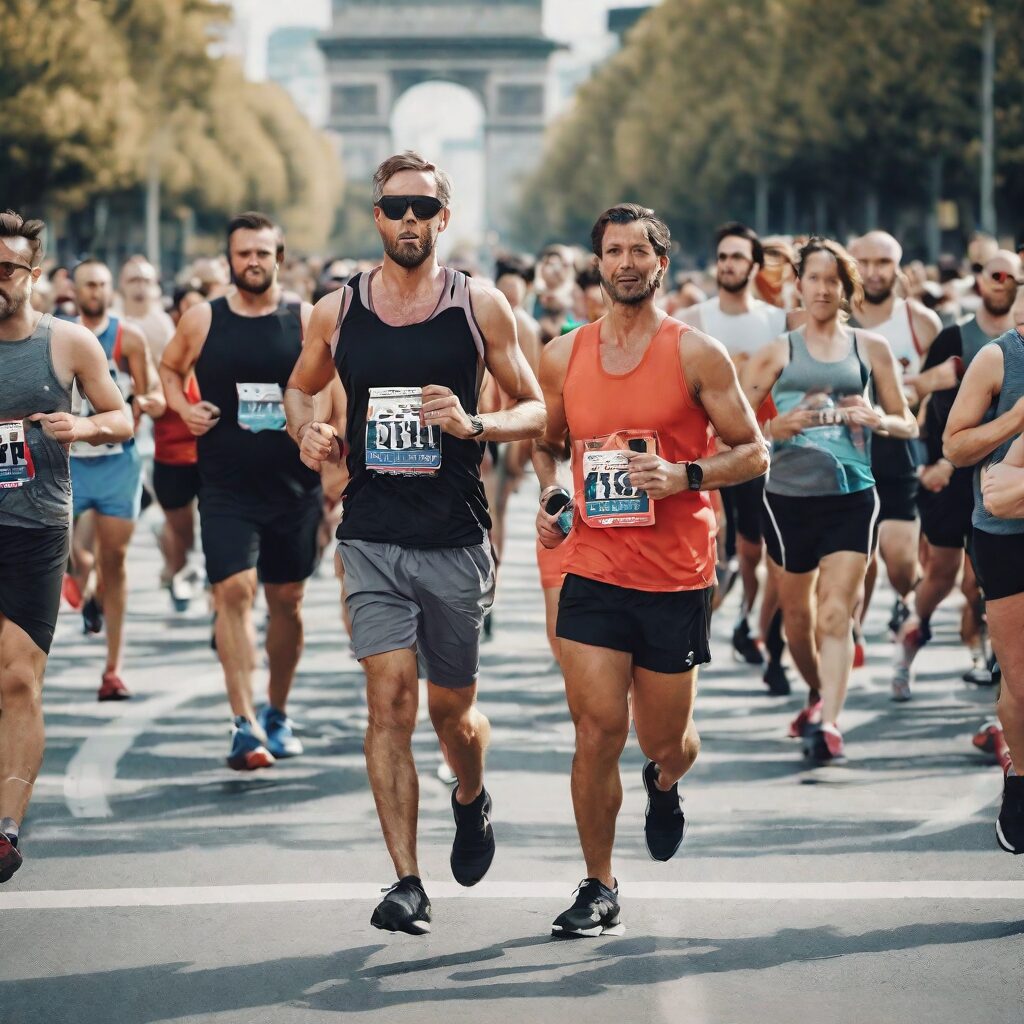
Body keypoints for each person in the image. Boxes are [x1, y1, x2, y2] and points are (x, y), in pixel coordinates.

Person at [283, 151, 545, 936]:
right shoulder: (336, 310)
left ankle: (471, 794)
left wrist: (475, 424)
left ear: (443, 218)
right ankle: (406, 880)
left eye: (421, 209)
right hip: (370, 532)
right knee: (388, 702)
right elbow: (301, 385)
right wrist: (309, 430)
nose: (407, 220)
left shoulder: (481, 306)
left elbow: (535, 409)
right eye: (394, 207)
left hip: (455, 534)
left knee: (451, 712)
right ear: (376, 216)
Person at [534, 204, 768, 937]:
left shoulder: (696, 353)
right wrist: (555, 495)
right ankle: (598, 884)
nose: (627, 262)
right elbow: (547, 444)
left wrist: (685, 474)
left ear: (661, 263)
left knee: (666, 739)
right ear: (596, 263)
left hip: (675, 574)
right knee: (597, 728)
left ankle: (663, 783)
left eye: (641, 250)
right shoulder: (560, 355)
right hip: (594, 564)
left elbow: (753, 452)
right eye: (613, 251)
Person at [160, 212, 343, 771]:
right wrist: (185, 407)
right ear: (230, 260)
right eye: (243, 254)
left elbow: (332, 386)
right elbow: (168, 369)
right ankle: (243, 723)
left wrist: (326, 437)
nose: (254, 262)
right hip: (225, 484)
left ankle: (278, 711)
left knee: (286, 601)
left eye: (263, 253)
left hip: (293, 486)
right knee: (232, 593)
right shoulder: (203, 319)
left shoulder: (305, 317)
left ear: (279, 258)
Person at [742, 238, 916, 763]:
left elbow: (907, 421)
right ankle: (818, 694)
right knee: (798, 619)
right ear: (798, 283)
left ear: (846, 289)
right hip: (787, 497)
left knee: (836, 613)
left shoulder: (871, 349)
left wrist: (877, 419)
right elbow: (734, 427)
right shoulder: (778, 351)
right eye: (813, 278)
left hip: (852, 494)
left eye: (832, 281)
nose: (822, 289)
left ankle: (830, 722)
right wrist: (774, 426)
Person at [0, 211, 133, 883]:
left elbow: (123, 416)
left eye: (7, 270)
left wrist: (82, 427)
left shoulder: (68, 344)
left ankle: (5, 827)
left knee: (18, 676)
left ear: (33, 276)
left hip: (34, 528)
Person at [895, 251, 1022, 697]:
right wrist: (933, 463)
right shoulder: (958, 337)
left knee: (975, 584)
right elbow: (920, 402)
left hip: (1004, 487)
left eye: (1013, 276)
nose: (1005, 282)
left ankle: (991, 662)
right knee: (944, 573)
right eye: (997, 274)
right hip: (954, 478)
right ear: (981, 280)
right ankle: (912, 637)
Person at [680, 223, 793, 691]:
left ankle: (750, 621)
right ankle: (691, 638)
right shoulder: (694, 317)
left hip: (758, 452)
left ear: (753, 264)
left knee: (756, 550)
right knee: (710, 548)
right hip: (704, 456)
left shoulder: (777, 321)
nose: (728, 264)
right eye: (722, 256)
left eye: (737, 257)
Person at [944, 281, 1024, 855]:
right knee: (1020, 680)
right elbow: (956, 446)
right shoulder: (1000, 356)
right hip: (1006, 537)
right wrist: (1015, 418)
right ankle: (1019, 780)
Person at [67, 259, 165, 700]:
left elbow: (157, 396)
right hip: (68, 462)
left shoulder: (129, 337)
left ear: (112, 290)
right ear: (75, 289)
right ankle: (84, 582)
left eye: (102, 285)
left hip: (117, 463)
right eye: (89, 284)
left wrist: (137, 401)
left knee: (116, 562)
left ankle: (113, 669)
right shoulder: (61, 335)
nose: (96, 291)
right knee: (71, 555)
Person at [848, 232, 941, 659]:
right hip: (845, 451)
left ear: (897, 266)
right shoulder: (837, 318)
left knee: (901, 562)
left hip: (897, 447)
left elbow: (938, 396)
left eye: (882, 262)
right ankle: (850, 636)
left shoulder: (920, 323)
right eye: (863, 261)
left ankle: (907, 602)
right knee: (856, 558)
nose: (872, 271)